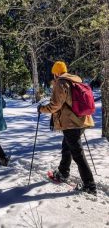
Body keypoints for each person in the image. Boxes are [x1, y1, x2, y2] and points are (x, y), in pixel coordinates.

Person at [38, 61, 97, 195]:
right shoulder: (76, 80)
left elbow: (55, 106)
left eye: (54, 73)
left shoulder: (61, 83)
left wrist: (41, 109)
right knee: (67, 148)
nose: (54, 76)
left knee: (77, 153)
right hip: (82, 120)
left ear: (56, 72)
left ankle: (90, 185)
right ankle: (63, 172)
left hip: (71, 123)